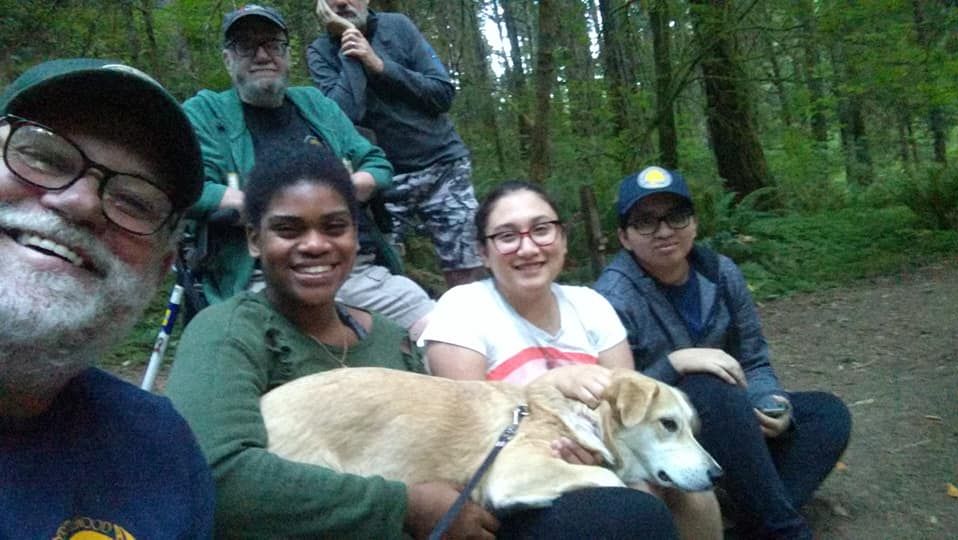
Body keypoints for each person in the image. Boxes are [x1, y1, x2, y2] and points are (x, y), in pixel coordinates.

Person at [164, 153, 664, 539]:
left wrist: (558, 459)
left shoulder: (387, 336)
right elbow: (217, 476)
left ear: (356, 237)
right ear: (254, 240)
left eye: (335, 227)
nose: (315, 244)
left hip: (452, 518)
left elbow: (452, 444)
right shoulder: (226, 331)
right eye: (288, 229)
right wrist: (406, 507)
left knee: (625, 516)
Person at [420, 180, 711, 539]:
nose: (528, 247)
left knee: (695, 495)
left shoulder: (590, 305)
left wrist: (602, 458)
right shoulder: (463, 308)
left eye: (542, 230)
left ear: (562, 238)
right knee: (636, 508)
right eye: (507, 236)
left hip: (597, 460)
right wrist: (552, 383)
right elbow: (470, 428)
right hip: (508, 485)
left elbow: (625, 413)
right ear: (483, 252)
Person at [0, 58, 214, 538]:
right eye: (42, 156)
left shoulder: (161, 452)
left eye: (135, 202)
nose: (82, 203)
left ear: (159, 270)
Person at [594, 165, 853, 540]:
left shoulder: (720, 272)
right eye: (645, 222)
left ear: (694, 224)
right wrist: (676, 363)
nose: (664, 231)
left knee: (826, 414)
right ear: (625, 237)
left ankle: (756, 519)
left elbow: (754, 358)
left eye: (676, 216)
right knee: (707, 385)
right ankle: (783, 528)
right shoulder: (612, 297)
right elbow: (617, 398)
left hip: (736, 416)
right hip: (670, 436)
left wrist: (772, 402)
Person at [185, 4, 435, 339]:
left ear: (288, 56)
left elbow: (377, 164)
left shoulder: (316, 106)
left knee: (443, 333)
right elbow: (186, 186)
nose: (262, 55)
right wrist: (253, 206)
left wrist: (343, 190)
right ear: (228, 59)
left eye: (273, 45)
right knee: (289, 357)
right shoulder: (206, 112)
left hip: (356, 273)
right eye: (246, 46)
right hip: (263, 282)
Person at [308, 0, 487, 288]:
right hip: (381, 183)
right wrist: (349, 46)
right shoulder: (320, 51)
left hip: (443, 168)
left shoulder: (398, 27)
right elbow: (343, 117)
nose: (341, 2)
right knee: (383, 277)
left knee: (468, 273)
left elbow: (442, 94)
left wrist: (378, 65)